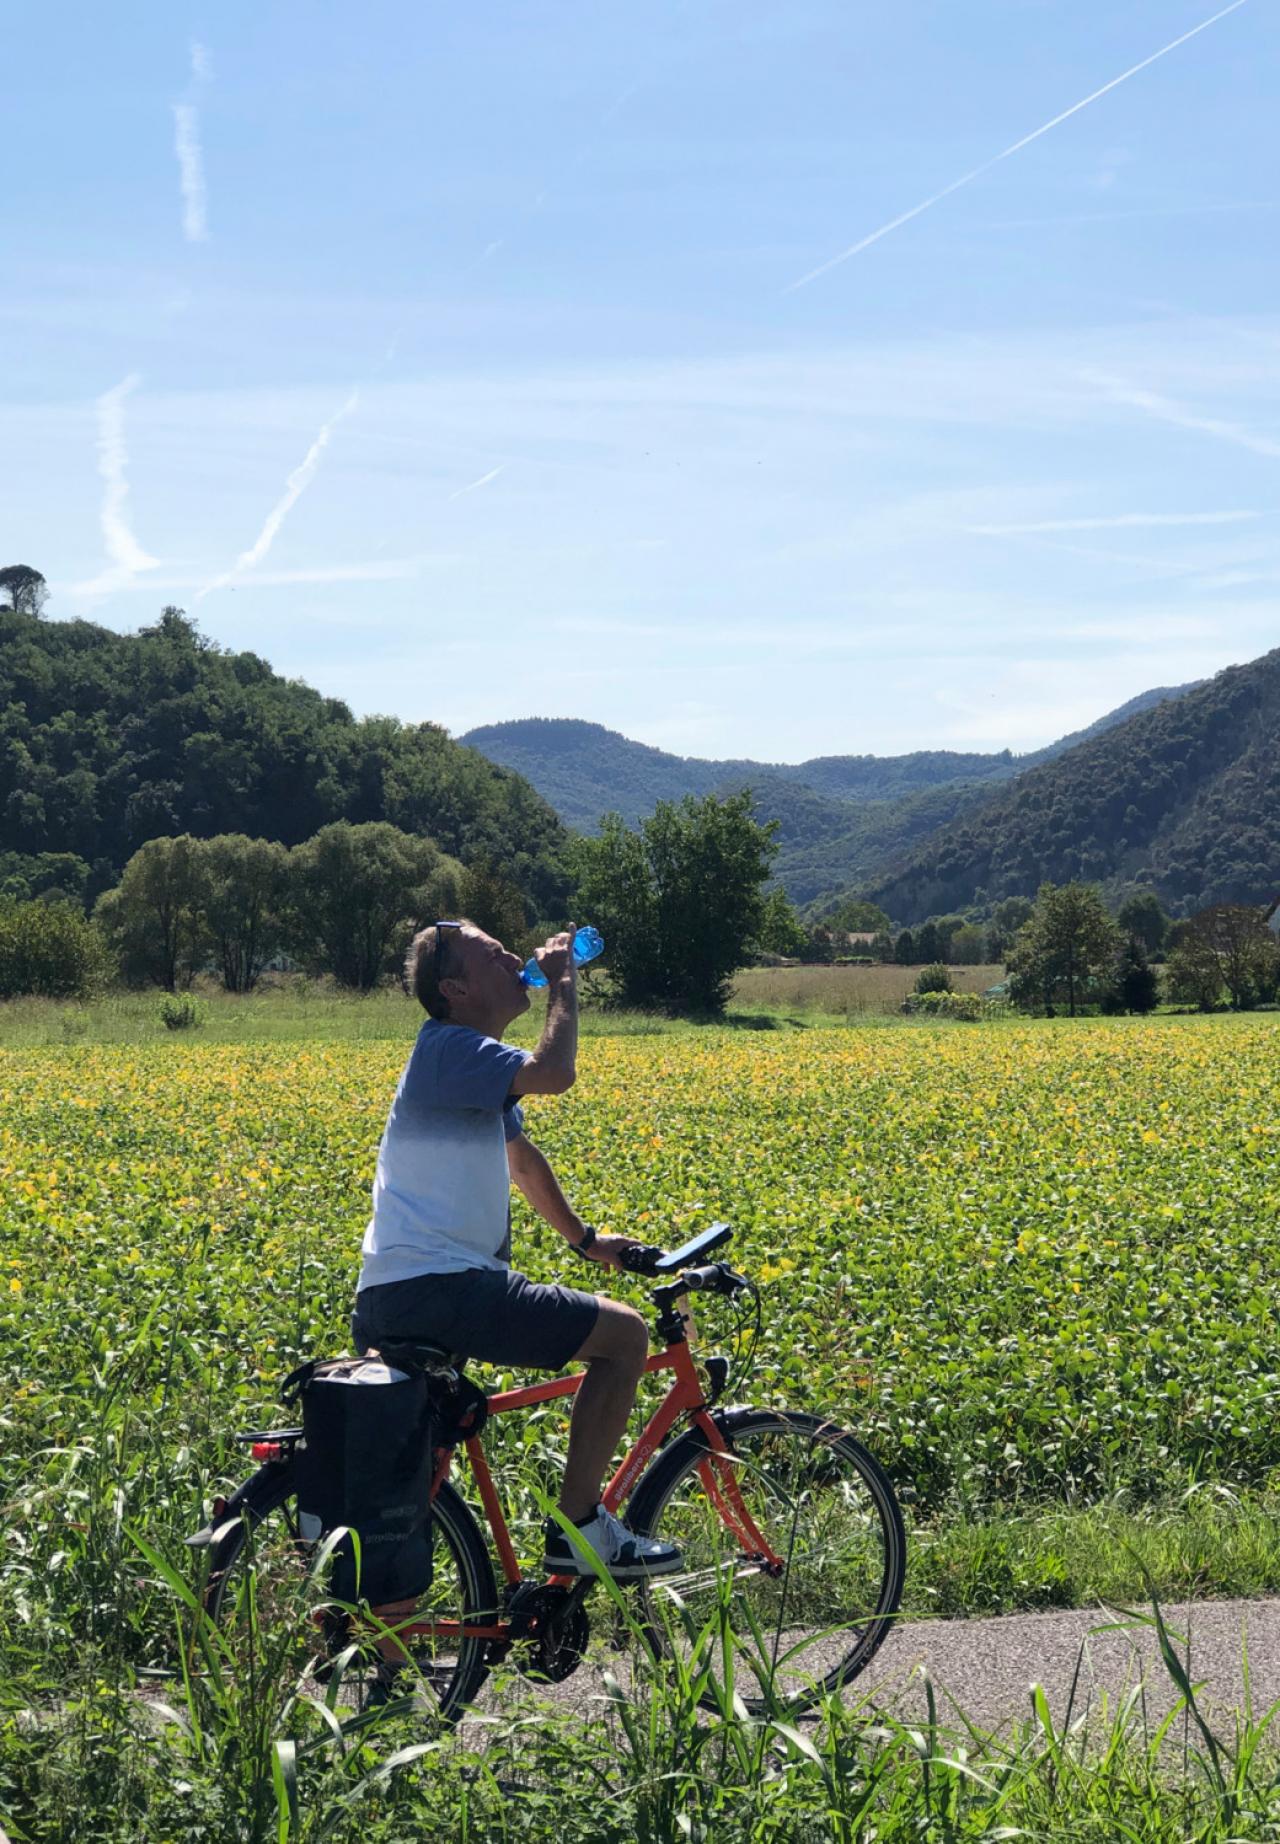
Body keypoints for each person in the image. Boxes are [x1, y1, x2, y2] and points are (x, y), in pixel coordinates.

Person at [352, 918, 681, 1580]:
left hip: (400, 1294)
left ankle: (403, 1629)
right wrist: (563, 984)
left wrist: (586, 1240)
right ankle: (580, 1528)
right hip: (444, 1288)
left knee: (415, 1474)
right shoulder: (451, 1048)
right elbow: (555, 1072)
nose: (513, 959)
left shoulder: (466, 1066)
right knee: (625, 1339)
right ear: (455, 989)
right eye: (494, 956)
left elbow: (522, 1161)